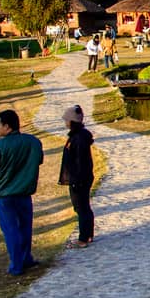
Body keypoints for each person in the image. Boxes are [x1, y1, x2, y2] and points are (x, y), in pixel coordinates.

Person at [0, 108, 44, 276]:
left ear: (6, 126)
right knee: (25, 227)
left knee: (11, 229)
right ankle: (26, 258)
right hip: (25, 192)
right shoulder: (33, 142)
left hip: (5, 195)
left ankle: (16, 265)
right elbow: (39, 160)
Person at [59, 104, 95, 248]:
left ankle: (83, 238)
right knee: (85, 206)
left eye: (66, 120)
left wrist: (77, 179)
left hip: (79, 179)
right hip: (82, 178)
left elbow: (80, 161)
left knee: (81, 208)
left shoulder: (78, 139)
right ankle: (88, 234)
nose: (65, 122)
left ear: (72, 121)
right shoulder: (79, 136)